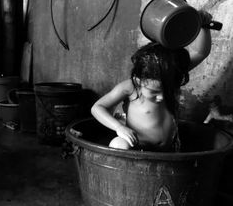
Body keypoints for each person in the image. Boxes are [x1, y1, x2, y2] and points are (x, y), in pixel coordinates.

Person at [91, 10, 213, 152]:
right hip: (137, 147)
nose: (161, 97)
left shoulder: (171, 75)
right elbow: (97, 108)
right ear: (138, 80)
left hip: (168, 149)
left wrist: (204, 26)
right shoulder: (131, 87)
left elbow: (200, 52)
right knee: (119, 144)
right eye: (154, 92)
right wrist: (119, 127)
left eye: (166, 90)